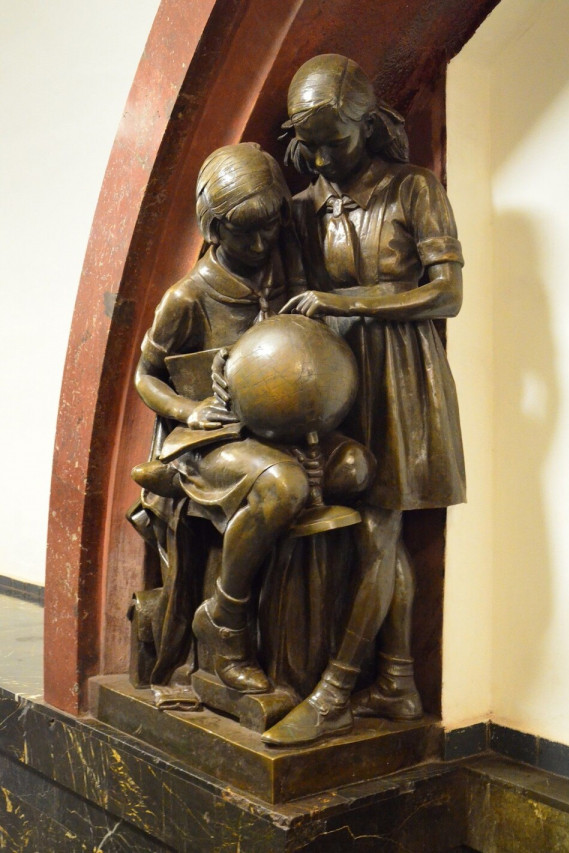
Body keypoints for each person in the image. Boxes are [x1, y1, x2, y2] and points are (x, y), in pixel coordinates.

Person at [262, 54, 465, 746]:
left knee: (379, 528)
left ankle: (336, 690)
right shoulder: (302, 207)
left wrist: (348, 301)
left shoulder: (413, 188)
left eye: (335, 142)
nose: (321, 159)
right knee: (373, 533)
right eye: (310, 146)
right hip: (330, 379)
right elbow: (289, 297)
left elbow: (448, 293)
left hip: (402, 376)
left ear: (368, 125)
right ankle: (398, 683)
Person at [132, 141, 373, 699]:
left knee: (356, 469)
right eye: (245, 233)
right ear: (214, 228)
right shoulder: (188, 297)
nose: (261, 243)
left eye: (269, 228)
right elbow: (145, 374)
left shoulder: (284, 270)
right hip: (214, 438)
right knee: (283, 487)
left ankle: (310, 636)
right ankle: (225, 621)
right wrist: (190, 409)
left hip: (283, 428)